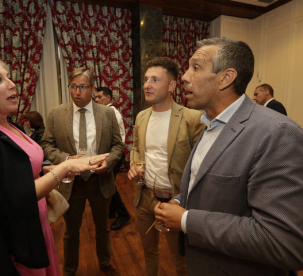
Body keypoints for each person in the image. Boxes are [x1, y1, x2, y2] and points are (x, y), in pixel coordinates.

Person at [154, 37, 303, 275]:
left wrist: (187, 220)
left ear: (226, 78)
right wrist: (181, 200)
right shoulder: (210, 124)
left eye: (195, 67)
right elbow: (212, 187)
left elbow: (287, 243)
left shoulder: (277, 133)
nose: (185, 76)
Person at [0, 53, 108, 276]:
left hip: (36, 228)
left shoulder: (10, 125)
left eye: (9, 77)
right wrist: (63, 168)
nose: (12, 84)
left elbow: (11, 171)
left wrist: (43, 170)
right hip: (14, 244)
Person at [41, 68, 124, 276]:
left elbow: (117, 146)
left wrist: (109, 163)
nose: (77, 92)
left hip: (100, 180)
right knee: (71, 231)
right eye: (73, 87)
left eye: (83, 87)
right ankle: (69, 271)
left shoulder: (107, 113)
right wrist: (68, 161)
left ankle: (105, 264)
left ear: (93, 89)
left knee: (103, 228)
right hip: (71, 182)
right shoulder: (56, 114)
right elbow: (47, 146)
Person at [127, 57, 204, 276]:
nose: (146, 85)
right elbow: (136, 147)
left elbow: (201, 164)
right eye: (145, 79)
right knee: (148, 251)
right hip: (144, 196)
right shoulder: (142, 116)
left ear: (171, 86)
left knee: (179, 257)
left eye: (154, 80)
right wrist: (134, 164)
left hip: (174, 200)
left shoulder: (192, 118)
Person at [95, 87, 131, 231]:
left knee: (108, 185)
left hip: (113, 154)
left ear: (108, 98)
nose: (96, 100)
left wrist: (109, 157)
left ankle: (124, 214)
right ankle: (112, 211)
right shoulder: (105, 112)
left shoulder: (111, 113)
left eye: (99, 97)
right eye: (96, 97)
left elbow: (115, 139)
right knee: (107, 183)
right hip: (109, 154)